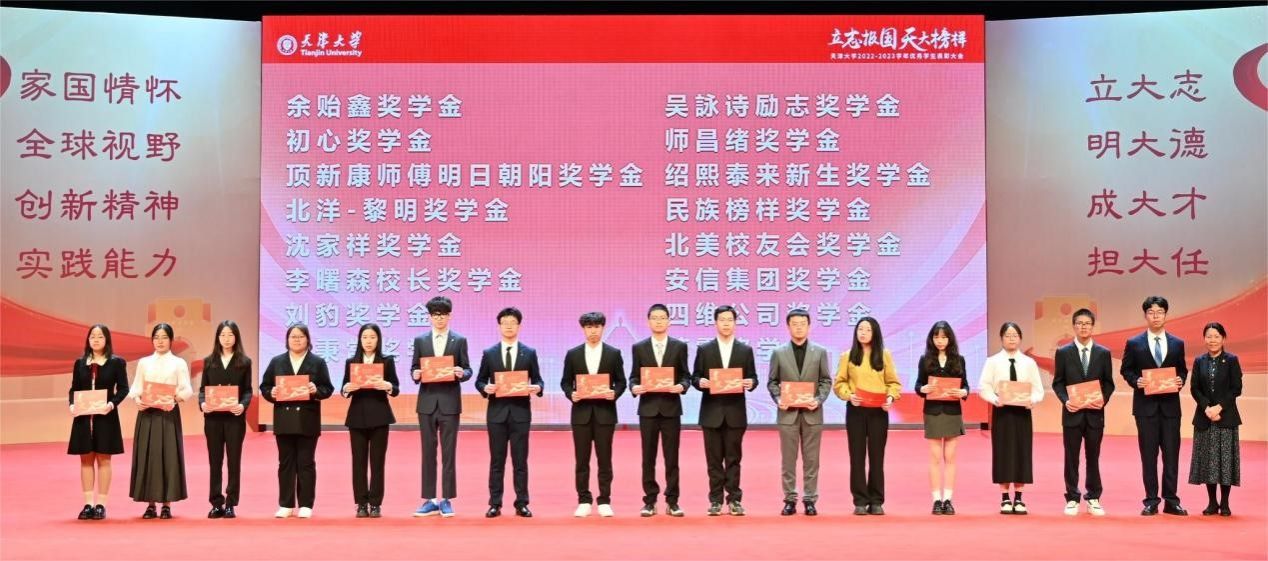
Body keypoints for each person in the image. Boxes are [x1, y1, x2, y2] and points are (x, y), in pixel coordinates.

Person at [1120, 295, 1189, 516]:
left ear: (1166, 315)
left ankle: (1171, 500)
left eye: (1160, 312)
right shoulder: (1134, 343)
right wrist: (1136, 381)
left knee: (1171, 455)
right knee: (1148, 456)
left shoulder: (1177, 343)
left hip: (1170, 408)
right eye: (1151, 312)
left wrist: (1180, 380)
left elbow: (1182, 370)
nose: (1156, 316)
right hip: (1145, 408)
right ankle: (1151, 500)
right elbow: (1126, 370)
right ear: (1145, 315)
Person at [474, 307, 543, 518]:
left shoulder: (529, 352)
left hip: (520, 413)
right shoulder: (490, 353)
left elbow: (538, 380)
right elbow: (479, 380)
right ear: (499, 326)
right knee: (497, 461)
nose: (509, 326)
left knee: (520, 461)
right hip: (497, 414)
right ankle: (495, 503)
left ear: (519, 326)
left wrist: (537, 388)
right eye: (505, 323)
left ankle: (521, 503)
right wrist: (485, 388)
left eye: (513, 322)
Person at [260, 323, 334, 519]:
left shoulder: (317, 362)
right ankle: (285, 504)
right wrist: (271, 392)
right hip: (284, 419)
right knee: (285, 463)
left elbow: (327, 388)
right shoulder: (277, 361)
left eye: (301, 336)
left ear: (308, 339)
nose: (297, 340)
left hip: (307, 419)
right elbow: (265, 386)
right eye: (293, 336)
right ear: (287, 339)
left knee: (306, 462)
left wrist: (316, 390)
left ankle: (306, 504)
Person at [693, 305, 759, 517]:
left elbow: (753, 377)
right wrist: (700, 382)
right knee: (713, 460)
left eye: (730, 320)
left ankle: (734, 499)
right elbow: (695, 377)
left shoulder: (745, 350)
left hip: (735, 413)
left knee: (733, 459)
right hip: (711, 412)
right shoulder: (704, 349)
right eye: (722, 320)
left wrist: (751, 382)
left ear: (735, 323)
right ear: (715, 323)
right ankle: (715, 500)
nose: (726, 324)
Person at [410, 296, 472, 518]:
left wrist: (461, 373)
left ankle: (446, 499)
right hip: (426, 403)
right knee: (428, 452)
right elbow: (414, 368)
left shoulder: (459, 340)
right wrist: (415, 374)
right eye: (435, 315)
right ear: (429, 317)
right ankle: (429, 499)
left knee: (448, 453)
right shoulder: (420, 340)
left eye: (443, 315)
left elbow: (468, 369)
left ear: (449, 316)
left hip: (449, 403)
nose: (439, 319)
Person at [560, 312, 627, 517]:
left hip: (605, 413)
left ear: (603, 328)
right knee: (582, 460)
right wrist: (571, 394)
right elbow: (565, 382)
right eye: (589, 327)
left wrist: (614, 393)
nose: (593, 331)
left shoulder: (613, 353)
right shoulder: (573, 354)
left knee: (604, 459)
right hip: (581, 414)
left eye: (597, 327)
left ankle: (604, 499)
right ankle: (584, 500)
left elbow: (621, 381)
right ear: (583, 329)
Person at [766, 309, 832, 516]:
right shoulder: (779, 352)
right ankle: (790, 499)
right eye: (794, 324)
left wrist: (818, 399)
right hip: (788, 415)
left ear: (809, 326)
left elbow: (825, 380)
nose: (799, 327)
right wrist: (778, 399)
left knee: (812, 460)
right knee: (788, 460)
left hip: (813, 414)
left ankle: (810, 499)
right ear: (788, 327)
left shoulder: (819, 351)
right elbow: (772, 382)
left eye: (803, 323)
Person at [833, 316, 902, 516]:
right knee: (857, 457)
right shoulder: (847, 356)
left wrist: (890, 397)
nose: (863, 333)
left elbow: (894, 383)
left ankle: (876, 500)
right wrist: (849, 395)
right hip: (856, 410)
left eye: (868, 330)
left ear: (875, 333)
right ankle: (860, 500)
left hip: (878, 411)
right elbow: (839, 383)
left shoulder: (884, 355)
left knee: (876, 457)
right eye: (860, 329)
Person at [629, 303, 691, 517]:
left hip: (671, 409)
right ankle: (650, 500)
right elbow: (634, 377)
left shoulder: (679, 346)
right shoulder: (639, 347)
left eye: (662, 317)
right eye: (654, 318)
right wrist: (634, 387)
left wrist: (682, 386)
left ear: (669, 321)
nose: (658, 321)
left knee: (672, 458)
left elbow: (685, 376)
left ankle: (672, 501)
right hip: (647, 409)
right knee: (648, 458)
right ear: (648, 322)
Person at [1051, 309, 1114, 517]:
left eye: (1087, 323)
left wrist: (1102, 400)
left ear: (1092, 326)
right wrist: (1066, 401)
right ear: (1074, 326)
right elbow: (1058, 382)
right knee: (1071, 457)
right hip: (1072, 414)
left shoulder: (1103, 353)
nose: (1083, 327)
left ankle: (1093, 497)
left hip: (1095, 415)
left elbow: (1109, 383)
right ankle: (1072, 497)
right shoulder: (1063, 352)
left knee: (1093, 457)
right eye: (1079, 323)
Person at [128, 323, 193, 519]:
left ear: (171, 340)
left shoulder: (179, 363)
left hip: (168, 415)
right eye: (156, 337)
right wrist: (137, 400)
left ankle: (166, 505)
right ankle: (150, 504)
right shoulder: (144, 362)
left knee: (168, 457)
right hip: (147, 415)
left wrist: (175, 399)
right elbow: (136, 388)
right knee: (148, 457)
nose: (160, 341)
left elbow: (187, 389)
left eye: (164, 337)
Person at [979, 322, 1045, 515]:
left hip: (1023, 412)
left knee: (1022, 452)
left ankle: (1019, 498)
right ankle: (1005, 498)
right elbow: (984, 386)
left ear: (1020, 338)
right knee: (1003, 452)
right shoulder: (992, 361)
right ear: (1001, 338)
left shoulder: (1029, 363)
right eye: (1007, 335)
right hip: (1002, 412)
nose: (1011, 339)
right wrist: (995, 399)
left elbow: (1038, 389)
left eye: (1015, 335)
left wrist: (1032, 400)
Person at [67, 324, 129, 520]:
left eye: (100, 336)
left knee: (104, 459)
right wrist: (72, 405)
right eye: (92, 336)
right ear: (88, 340)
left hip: (106, 417)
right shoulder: (80, 363)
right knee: (85, 459)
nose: (95, 339)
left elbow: (124, 389)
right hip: (84, 418)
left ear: (106, 340)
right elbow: (74, 389)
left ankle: (101, 504)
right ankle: (88, 504)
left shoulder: (116, 362)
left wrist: (111, 404)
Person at [341, 323, 399, 518]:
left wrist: (387, 385)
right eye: (365, 337)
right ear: (359, 340)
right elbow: (344, 388)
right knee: (358, 462)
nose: (368, 341)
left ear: (378, 340)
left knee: (377, 462)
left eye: (372, 337)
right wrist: (347, 389)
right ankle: (360, 503)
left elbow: (396, 388)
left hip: (380, 416)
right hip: (357, 417)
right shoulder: (351, 362)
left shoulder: (387, 361)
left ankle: (375, 504)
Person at [198, 320, 253, 519]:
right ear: (218, 338)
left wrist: (243, 405)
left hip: (234, 418)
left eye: (230, 335)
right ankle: (216, 503)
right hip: (213, 419)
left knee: (233, 461)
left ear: (236, 337)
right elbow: (203, 390)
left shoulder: (244, 362)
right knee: (215, 461)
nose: (226, 338)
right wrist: (203, 403)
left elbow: (247, 390)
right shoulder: (209, 361)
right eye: (223, 335)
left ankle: (230, 503)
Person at [914, 321, 969, 516]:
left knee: (951, 458)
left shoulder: (959, 360)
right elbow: (918, 384)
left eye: (944, 337)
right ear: (931, 339)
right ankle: (936, 499)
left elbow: (966, 386)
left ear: (950, 339)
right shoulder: (925, 360)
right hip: (933, 412)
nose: (940, 340)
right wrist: (923, 389)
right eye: (936, 337)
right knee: (935, 458)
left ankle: (948, 499)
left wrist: (963, 392)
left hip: (953, 412)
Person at [1188, 322, 1242, 517]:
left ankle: (1225, 503)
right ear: (1204, 339)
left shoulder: (1232, 360)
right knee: (1208, 462)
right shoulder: (1199, 361)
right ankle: (1212, 502)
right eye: (1209, 336)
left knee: (1225, 462)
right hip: (1205, 417)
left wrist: (1219, 407)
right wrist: (1207, 408)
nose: (1212, 340)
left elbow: (1236, 388)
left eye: (1216, 336)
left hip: (1226, 417)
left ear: (1223, 338)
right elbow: (1194, 388)